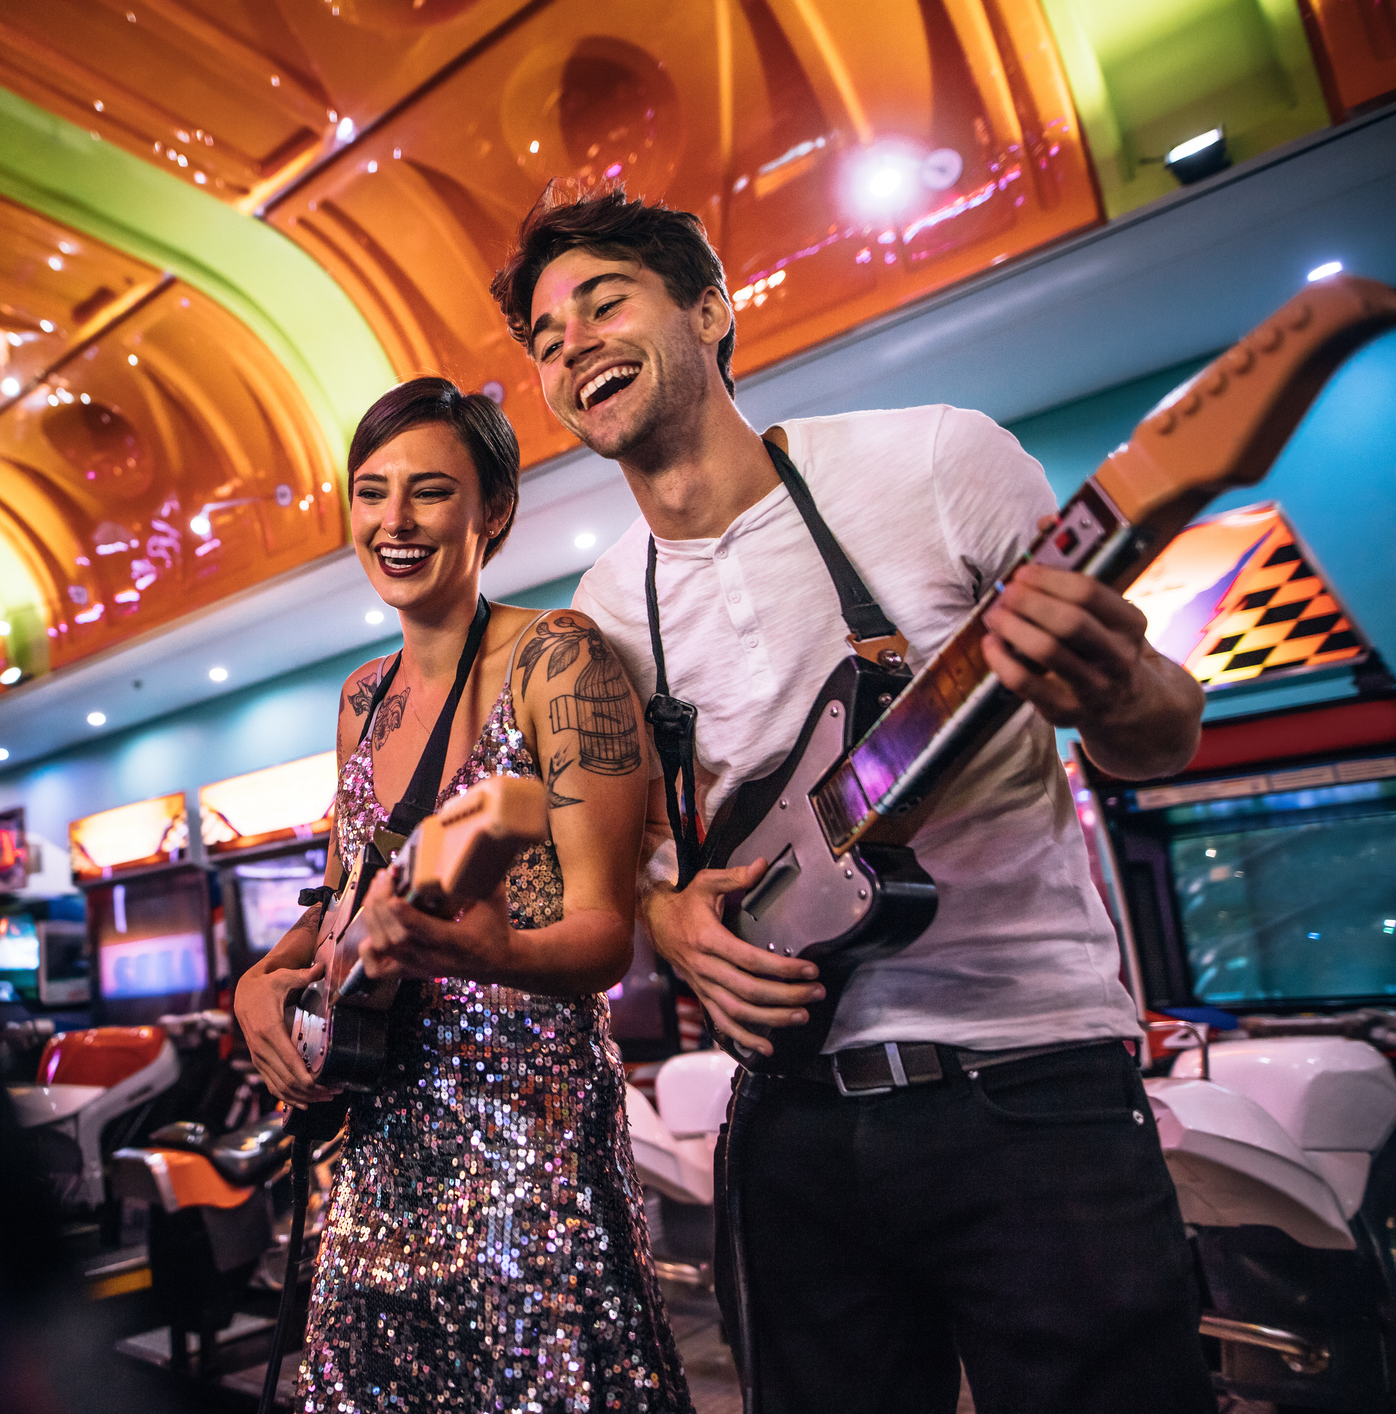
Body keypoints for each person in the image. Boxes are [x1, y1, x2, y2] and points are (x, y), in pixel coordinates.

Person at [488, 184, 1213, 1413]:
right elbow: (633, 860)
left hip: (1033, 1083)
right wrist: (670, 920)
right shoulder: (602, 613)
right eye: (547, 341)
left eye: (603, 303)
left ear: (710, 311)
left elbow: (1164, 735)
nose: (572, 348)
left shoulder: (935, 460)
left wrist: (1111, 682)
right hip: (790, 1118)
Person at [235, 376, 691, 1413]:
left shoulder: (557, 657)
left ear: (495, 510)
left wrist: (497, 954)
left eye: (430, 491)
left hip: (528, 1141)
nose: (394, 521)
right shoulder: (361, 697)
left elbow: (605, 936)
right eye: (372, 491)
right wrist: (259, 982)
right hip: (376, 1147)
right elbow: (343, 893)